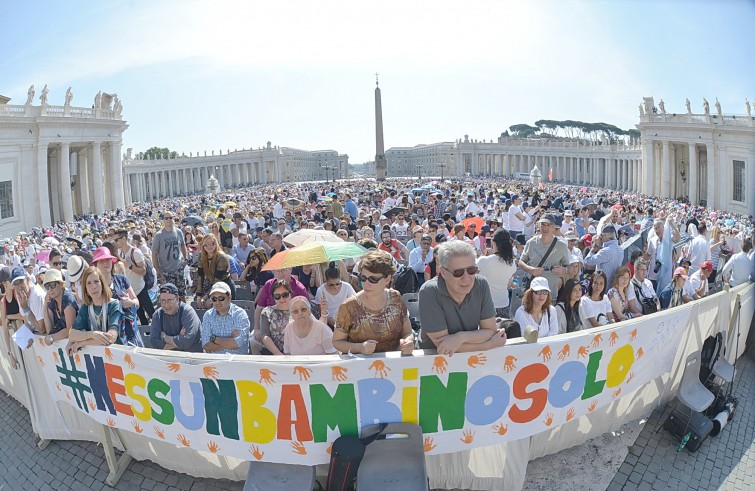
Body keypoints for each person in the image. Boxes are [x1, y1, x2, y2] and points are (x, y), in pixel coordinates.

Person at [418, 241, 509, 354]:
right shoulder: (429, 291)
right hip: (432, 362)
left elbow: (490, 331)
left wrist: (461, 337)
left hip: (469, 360)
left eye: (471, 270)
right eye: (458, 272)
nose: (466, 278)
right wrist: (488, 345)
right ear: (443, 273)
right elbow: (444, 346)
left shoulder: (481, 284)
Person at [333, 250, 414, 355]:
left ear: (387, 279)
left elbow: (407, 332)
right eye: (363, 278)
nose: (366, 283)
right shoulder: (349, 306)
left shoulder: (395, 297)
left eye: (373, 279)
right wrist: (360, 347)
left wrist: (408, 342)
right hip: (361, 366)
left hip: (394, 365)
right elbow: (337, 342)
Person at [68, 267, 124, 352]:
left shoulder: (114, 305)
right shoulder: (85, 307)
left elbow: (111, 338)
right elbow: (72, 335)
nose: (93, 286)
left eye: (96, 281)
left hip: (118, 356)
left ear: (102, 283)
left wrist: (83, 342)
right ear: (85, 289)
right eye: (89, 283)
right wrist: (92, 334)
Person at [519, 214, 570, 297]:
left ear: (554, 227)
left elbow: (568, 266)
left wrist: (564, 270)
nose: (545, 228)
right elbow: (521, 262)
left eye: (548, 225)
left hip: (550, 293)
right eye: (542, 224)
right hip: (533, 292)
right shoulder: (531, 243)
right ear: (538, 226)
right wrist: (530, 269)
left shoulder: (561, 245)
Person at [113, 230, 154, 326]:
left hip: (140, 289)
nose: (115, 242)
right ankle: (147, 337)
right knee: (141, 318)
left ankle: (161, 333)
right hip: (131, 292)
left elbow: (143, 271)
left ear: (123, 238)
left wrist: (130, 266)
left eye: (116, 240)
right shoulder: (120, 252)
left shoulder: (135, 252)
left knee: (152, 313)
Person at [149, 283, 202, 352]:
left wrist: (165, 338)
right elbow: (154, 342)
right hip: (169, 357)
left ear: (177, 299)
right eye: (163, 301)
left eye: (170, 301)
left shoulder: (188, 312)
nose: (166, 305)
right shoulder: (157, 315)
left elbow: (187, 341)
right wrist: (179, 342)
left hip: (192, 356)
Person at [476, 228, 516, 318]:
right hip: (504, 303)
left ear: (493, 243)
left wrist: (484, 253)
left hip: (486, 305)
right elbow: (508, 284)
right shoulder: (512, 263)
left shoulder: (483, 261)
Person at [200, 282, 250, 355]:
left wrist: (214, 338)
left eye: (221, 298)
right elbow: (206, 345)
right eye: (214, 299)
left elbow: (237, 344)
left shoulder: (240, 314)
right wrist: (229, 342)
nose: (217, 302)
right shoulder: (208, 315)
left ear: (229, 297)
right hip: (214, 361)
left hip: (237, 361)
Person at [152, 210, 188, 297]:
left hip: (178, 268)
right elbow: (154, 254)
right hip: (166, 271)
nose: (169, 220)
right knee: (169, 296)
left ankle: (183, 310)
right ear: (163, 220)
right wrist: (158, 270)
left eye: (170, 218)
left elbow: (183, 246)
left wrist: (186, 259)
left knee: (182, 294)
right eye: (166, 218)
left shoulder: (178, 232)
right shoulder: (159, 235)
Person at [41, 269, 79, 346]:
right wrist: (45, 307)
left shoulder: (68, 299)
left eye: (52, 285)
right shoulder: (52, 301)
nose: (50, 289)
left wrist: (52, 338)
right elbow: (49, 330)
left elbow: (70, 330)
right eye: (47, 286)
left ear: (61, 284)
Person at [196, 235, 235, 307]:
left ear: (216, 244)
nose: (209, 246)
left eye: (212, 243)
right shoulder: (201, 256)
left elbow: (217, 280)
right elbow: (200, 276)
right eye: (206, 244)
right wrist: (199, 295)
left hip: (224, 286)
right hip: (211, 285)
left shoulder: (221, 257)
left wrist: (207, 296)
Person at [258, 280, 293, 355]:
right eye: (277, 296)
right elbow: (264, 335)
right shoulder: (267, 312)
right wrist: (278, 354)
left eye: (285, 295)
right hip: (273, 354)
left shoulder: (299, 309)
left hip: (298, 353)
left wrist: (324, 315)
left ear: (290, 294)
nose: (281, 299)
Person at [11, 266, 47, 334]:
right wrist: (27, 337)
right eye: (15, 284)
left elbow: (42, 329)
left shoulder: (37, 296)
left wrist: (26, 308)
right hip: (36, 336)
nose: (19, 287)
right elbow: (26, 321)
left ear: (27, 280)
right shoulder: (20, 294)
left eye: (21, 281)